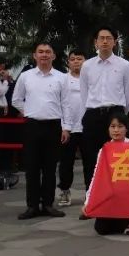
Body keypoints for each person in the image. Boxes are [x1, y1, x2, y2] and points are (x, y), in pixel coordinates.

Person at [12, 42, 73, 219]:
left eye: (48, 52)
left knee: (49, 167)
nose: (44, 55)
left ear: (53, 56)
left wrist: (66, 127)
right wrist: (29, 110)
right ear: (34, 55)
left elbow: (66, 104)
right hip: (32, 126)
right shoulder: (26, 76)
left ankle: (47, 204)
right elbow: (16, 100)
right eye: (41, 52)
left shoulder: (61, 77)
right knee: (31, 168)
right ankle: (32, 206)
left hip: (53, 126)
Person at [77, 26, 129, 207]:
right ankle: (91, 201)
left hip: (115, 115)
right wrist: (91, 111)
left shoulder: (124, 65)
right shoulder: (87, 66)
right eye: (101, 38)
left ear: (115, 41)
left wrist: (119, 115)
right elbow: (84, 93)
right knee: (91, 160)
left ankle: (116, 201)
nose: (104, 41)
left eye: (108, 38)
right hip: (93, 114)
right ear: (95, 42)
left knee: (116, 160)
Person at [91, 110, 129, 236]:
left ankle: (128, 221)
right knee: (100, 229)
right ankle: (120, 223)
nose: (116, 130)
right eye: (113, 126)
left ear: (126, 129)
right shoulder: (104, 149)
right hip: (111, 192)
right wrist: (88, 202)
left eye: (120, 126)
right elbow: (96, 176)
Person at [57, 49, 86, 207]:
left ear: (85, 61)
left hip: (87, 128)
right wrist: (64, 127)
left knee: (90, 162)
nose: (76, 62)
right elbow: (60, 104)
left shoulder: (90, 79)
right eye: (73, 59)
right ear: (68, 62)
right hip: (67, 128)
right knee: (66, 162)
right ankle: (65, 190)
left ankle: (90, 193)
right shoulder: (62, 79)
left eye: (79, 58)